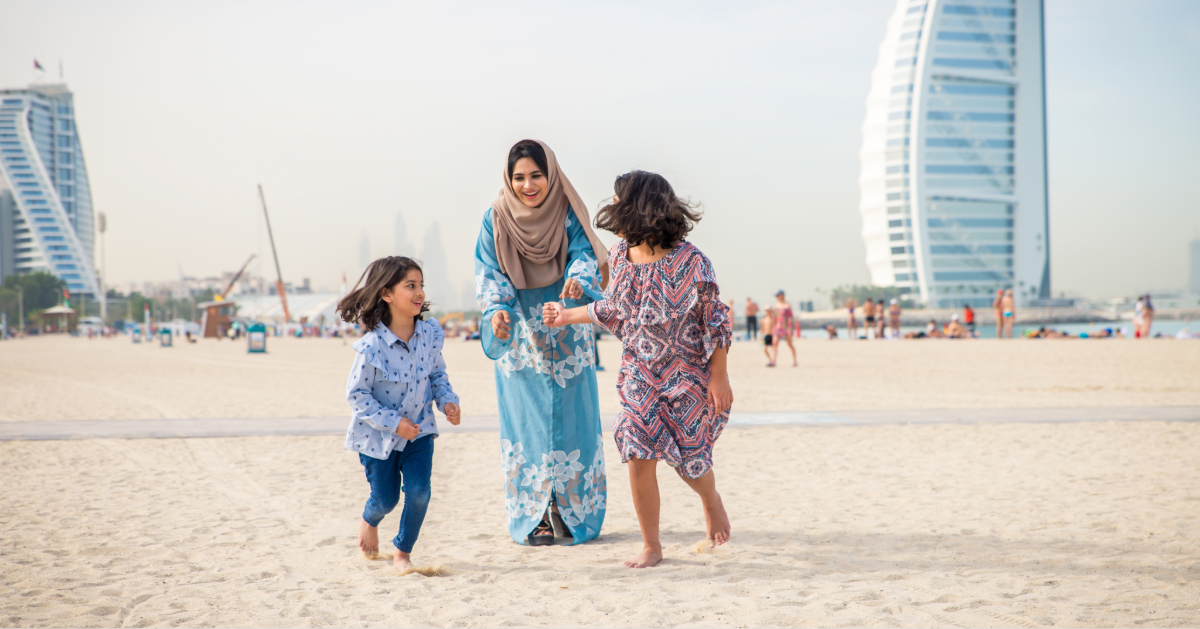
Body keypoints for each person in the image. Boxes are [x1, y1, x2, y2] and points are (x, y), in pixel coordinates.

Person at [542, 170, 733, 569]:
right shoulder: (618, 256)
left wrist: (719, 375)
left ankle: (710, 499)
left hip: (687, 374)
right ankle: (651, 545)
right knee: (637, 451)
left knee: (691, 461)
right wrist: (566, 315)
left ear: (638, 204)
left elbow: (716, 319)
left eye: (617, 198)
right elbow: (614, 310)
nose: (611, 205)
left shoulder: (692, 261)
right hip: (638, 374)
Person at [474, 140, 609, 547]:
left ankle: (571, 513)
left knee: (574, 424)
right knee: (526, 425)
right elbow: (488, 273)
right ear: (508, 179)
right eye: (519, 177)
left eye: (537, 175)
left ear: (551, 175)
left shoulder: (567, 213)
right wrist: (497, 313)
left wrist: (579, 281)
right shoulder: (494, 220)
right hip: (519, 336)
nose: (528, 185)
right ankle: (537, 517)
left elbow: (584, 256)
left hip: (566, 325)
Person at [337, 256, 462, 573]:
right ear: (386, 293)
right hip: (377, 437)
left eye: (421, 285)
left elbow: (437, 376)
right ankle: (370, 519)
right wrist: (394, 423)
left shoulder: (430, 335)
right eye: (410, 286)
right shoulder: (371, 346)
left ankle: (402, 552)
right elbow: (357, 395)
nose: (419, 292)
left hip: (420, 431)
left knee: (419, 492)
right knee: (385, 500)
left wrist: (447, 402)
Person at [772, 290, 797, 367]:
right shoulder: (776, 305)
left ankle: (794, 361)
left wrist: (789, 329)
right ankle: (773, 361)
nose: (776, 297)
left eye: (777, 296)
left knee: (789, 344)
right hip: (778, 327)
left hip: (786, 328)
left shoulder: (787, 305)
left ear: (782, 296)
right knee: (775, 344)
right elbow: (775, 318)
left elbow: (790, 318)